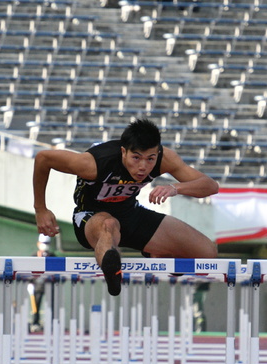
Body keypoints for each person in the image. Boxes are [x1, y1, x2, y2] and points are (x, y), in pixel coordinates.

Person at [33, 118, 219, 296]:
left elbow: (210, 186)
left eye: (150, 159)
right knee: (109, 225)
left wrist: (174, 188)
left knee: (207, 252)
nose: (143, 167)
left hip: (130, 214)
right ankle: (112, 273)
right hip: (92, 217)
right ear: (123, 152)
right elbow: (44, 159)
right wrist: (41, 209)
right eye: (136, 158)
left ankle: (153, 251)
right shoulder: (94, 163)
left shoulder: (165, 158)